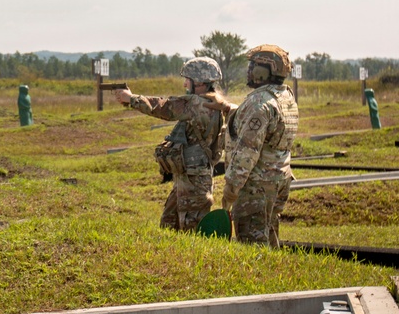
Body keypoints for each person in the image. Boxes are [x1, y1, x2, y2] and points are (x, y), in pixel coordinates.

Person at [115, 57, 225, 232]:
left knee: (191, 229)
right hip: (190, 174)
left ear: (199, 82)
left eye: (187, 80)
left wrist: (131, 98)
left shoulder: (196, 103)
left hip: (193, 178)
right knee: (169, 222)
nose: (184, 85)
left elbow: (164, 107)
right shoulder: (216, 103)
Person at [213, 44, 298, 246]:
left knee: (252, 245)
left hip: (256, 186)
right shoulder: (286, 96)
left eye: (254, 65)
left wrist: (231, 189)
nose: (249, 70)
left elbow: (246, 153)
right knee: (269, 234)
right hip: (279, 179)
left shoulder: (259, 103)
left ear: (266, 71)